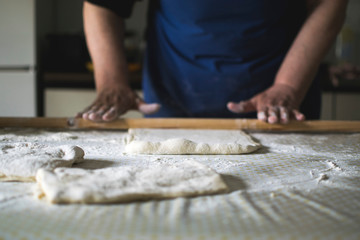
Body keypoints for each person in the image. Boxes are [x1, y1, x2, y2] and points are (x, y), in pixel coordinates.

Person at [78, 0, 348, 124]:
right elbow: (103, 5)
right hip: (174, 98)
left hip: (279, 102)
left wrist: (288, 85)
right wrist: (112, 82)